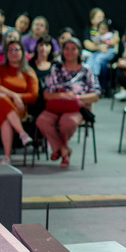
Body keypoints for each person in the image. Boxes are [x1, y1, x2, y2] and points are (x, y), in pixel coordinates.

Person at [36, 39, 99, 168]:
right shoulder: (56, 69)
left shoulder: (86, 70)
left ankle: (58, 150)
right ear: (62, 51)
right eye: (66, 48)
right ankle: (63, 149)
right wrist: (61, 95)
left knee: (66, 123)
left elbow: (96, 95)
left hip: (74, 108)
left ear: (79, 51)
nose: (69, 52)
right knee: (42, 121)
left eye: (73, 48)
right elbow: (46, 94)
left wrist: (77, 97)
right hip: (56, 105)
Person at [0, 40, 40, 164]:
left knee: (6, 117)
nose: (13, 53)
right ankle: (22, 133)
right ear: (6, 53)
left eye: (17, 50)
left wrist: (17, 97)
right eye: (10, 50)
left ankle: (7, 157)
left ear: (23, 53)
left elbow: (33, 96)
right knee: (3, 100)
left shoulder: (29, 72)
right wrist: (14, 95)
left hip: (17, 108)